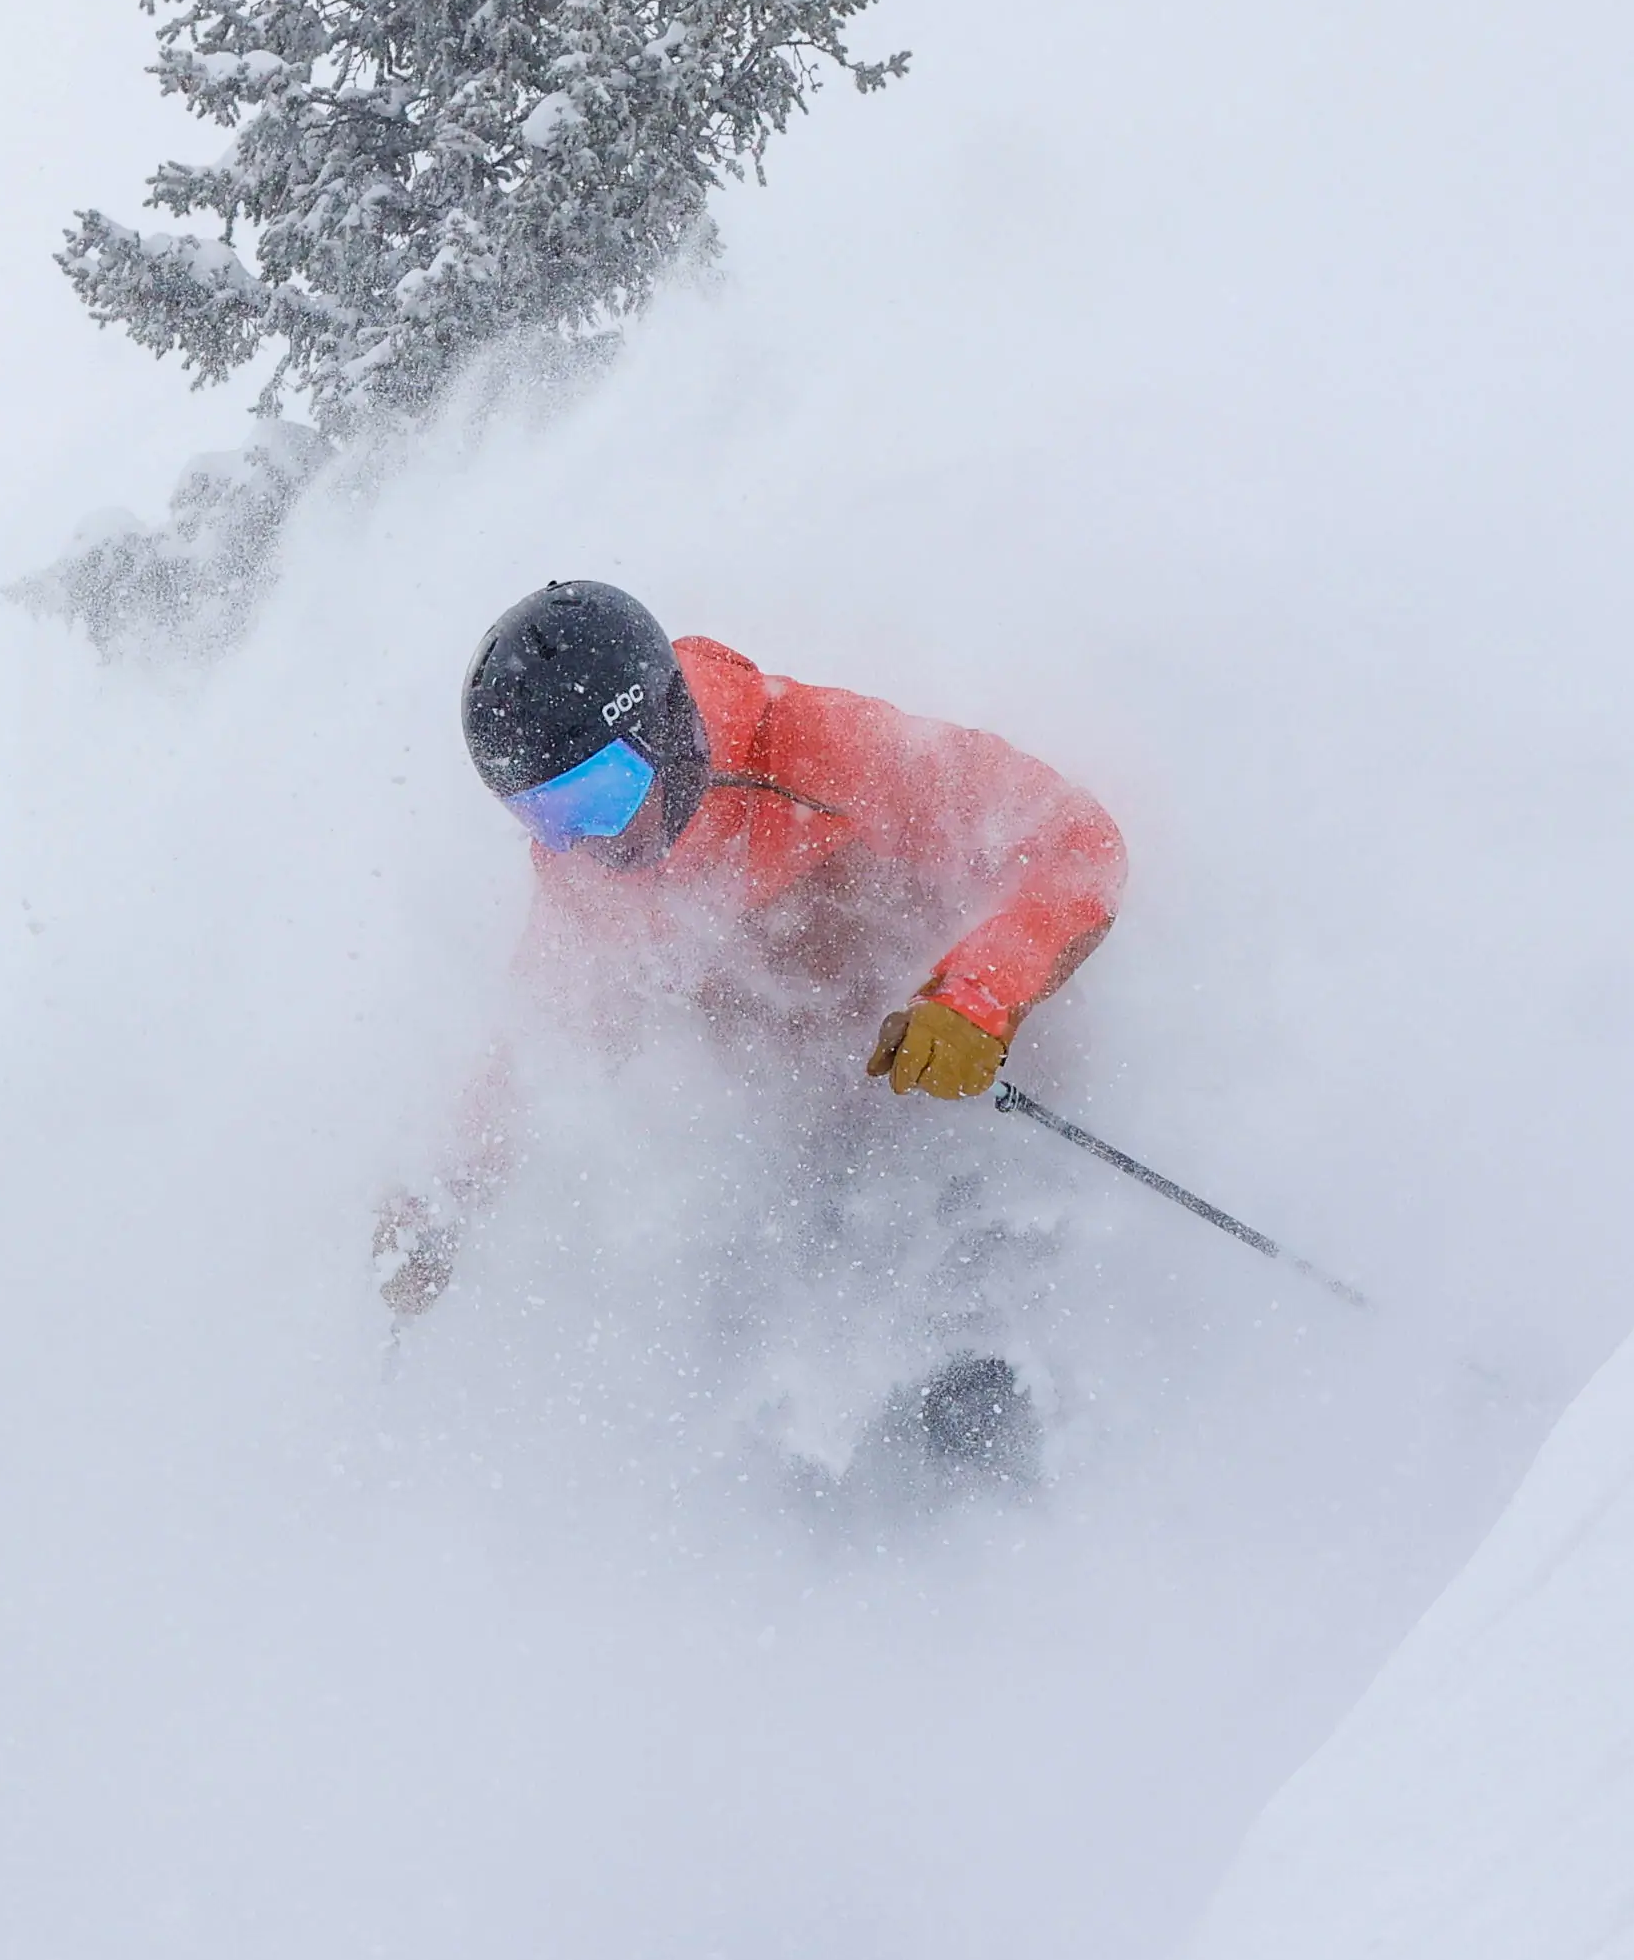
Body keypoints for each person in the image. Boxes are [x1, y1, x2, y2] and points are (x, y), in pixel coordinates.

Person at [378, 577, 1124, 1372]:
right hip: (822, 1143)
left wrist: (977, 999)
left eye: (602, 795)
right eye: (548, 817)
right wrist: (444, 1198)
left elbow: (1079, 844)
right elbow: (545, 1038)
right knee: (745, 1356)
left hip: (970, 1100)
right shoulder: (591, 873)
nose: (589, 842)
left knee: (964, 1361)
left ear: (669, 727)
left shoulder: (823, 750)